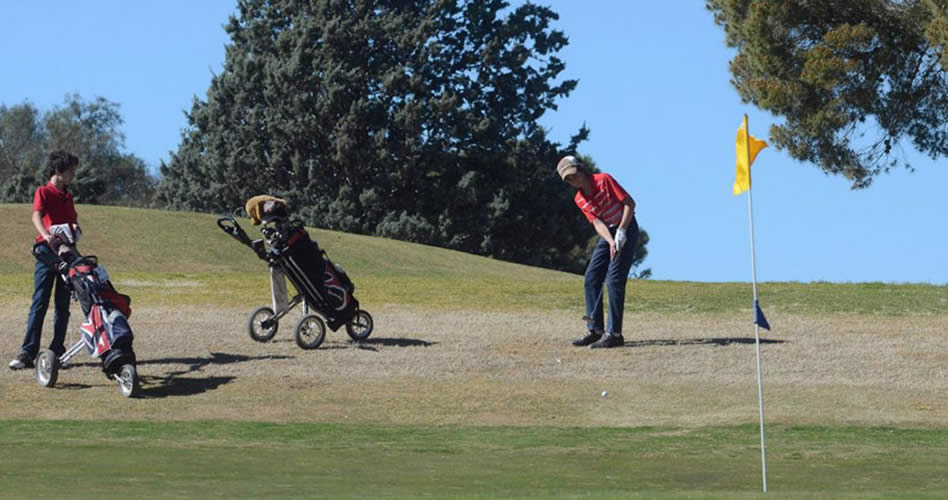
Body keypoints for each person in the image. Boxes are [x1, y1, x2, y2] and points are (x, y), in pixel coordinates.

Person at [557, 155, 638, 349]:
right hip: (607, 232)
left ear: (581, 169)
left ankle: (614, 334)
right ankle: (595, 330)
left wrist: (621, 232)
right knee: (592, 277)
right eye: (568, 179)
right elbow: (597, 222)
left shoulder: (604, 180)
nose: (573, 181)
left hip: (626, 226)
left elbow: (630, 204)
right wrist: (611, 241)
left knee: (614, 279)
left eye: (573, 175)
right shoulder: (579, 199)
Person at [8, 151, 80, 369]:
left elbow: (72, 222)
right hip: (46, 252)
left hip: (67, 252)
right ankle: (27, 353)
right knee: (39, 302)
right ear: (59, 171)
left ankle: (57, 352)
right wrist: (47, 235)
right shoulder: (43, 191)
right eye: (70, 171)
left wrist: (75, 231)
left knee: (63, 305)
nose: (73, 176)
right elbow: (36, 215)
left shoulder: (68, 196)